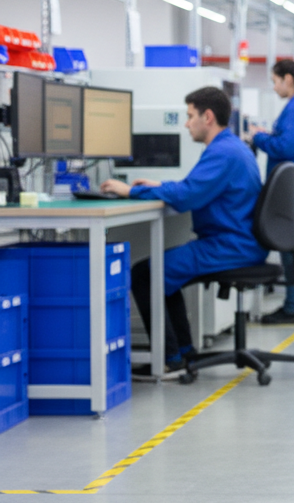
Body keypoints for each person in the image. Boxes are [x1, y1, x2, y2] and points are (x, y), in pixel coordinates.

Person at [101, 86, 266, 372]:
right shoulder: (230, 147)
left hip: (229, 246)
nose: (187, 124)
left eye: (190, 116)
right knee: (162, 272)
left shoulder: (222, 152)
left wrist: (131, 191)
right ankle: (183, 351)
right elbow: (194, 186)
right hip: (237, 242)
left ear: (208, 117)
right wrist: (160, 186)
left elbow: (188, 195)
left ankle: (169, 358)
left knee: (145, 274)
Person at [246, 59, 294, 324]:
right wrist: (268, 135)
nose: (274, 87)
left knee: (292, 249)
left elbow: (286, 147)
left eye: (275, 81)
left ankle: (293, 308)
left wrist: (257, 137)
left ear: (288, 79)